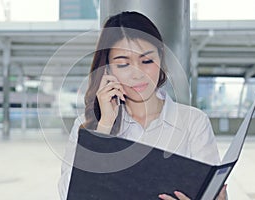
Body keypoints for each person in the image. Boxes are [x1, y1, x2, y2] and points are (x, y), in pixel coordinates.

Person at [59, 11, 227, 200]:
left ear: (161, 59)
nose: (138, 74)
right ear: (107, 69)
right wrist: (103, 129)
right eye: (123, 64)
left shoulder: (193, 122)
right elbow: (68, 194)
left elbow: (214, 193)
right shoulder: (87, 125)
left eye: (146, 61)